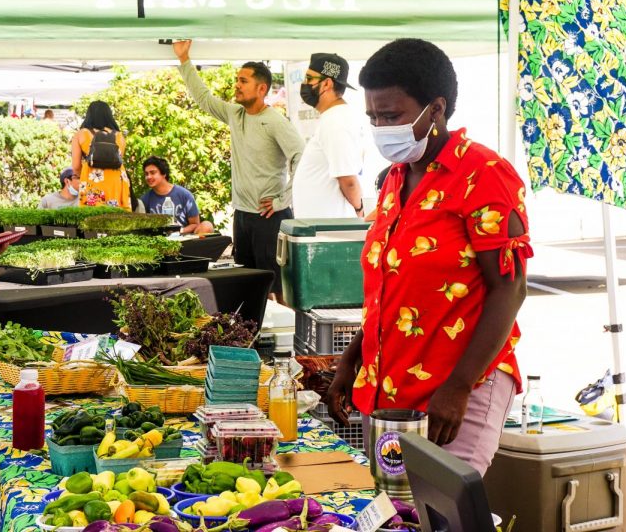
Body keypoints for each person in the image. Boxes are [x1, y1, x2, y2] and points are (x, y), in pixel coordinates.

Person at [326, 38, 532, 476]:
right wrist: (352, 359)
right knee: (398, 512)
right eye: (373, 117)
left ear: (435, 109)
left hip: (461, 383)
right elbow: (389, 288)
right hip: (390, 381)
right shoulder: (394, 180)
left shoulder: (484, 175)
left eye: (392, 115)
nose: (380, 127)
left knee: (443, 512)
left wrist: (458, 387)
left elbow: (509, 288)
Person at [172, 40, 303, 302]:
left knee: (276, 287)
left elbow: (301, 157)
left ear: (261, 88)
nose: (237, 85)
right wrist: (184, 60)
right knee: (248, 282)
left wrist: (281, 201)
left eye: (243, 81)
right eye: (237, 80)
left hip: (270, 217)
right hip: (242, 216)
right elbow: (204, 99)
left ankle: (284, 338)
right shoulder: (235, 114)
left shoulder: (275, 121)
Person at [292, 53, 365, 218]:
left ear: (326, 83)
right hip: (323, 230)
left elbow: (348, 180)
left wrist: (359, 211)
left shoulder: (336, 120)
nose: (304, 84)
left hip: (331, 233)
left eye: (309, 79)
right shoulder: (334, 117)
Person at [71, 100, 131, 210]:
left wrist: (84, 174)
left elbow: (76, 166)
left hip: (92, 180)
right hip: (116, 181)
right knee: (117, 219)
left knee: (92, 219)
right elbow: (117, 159)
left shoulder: (81, 134)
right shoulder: (119, 136)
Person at [140, 155, 214, 235]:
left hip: (184, 239)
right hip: (159, 242)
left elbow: (195, 224)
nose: (148, 177)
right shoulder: (145, 199)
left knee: (207, 225)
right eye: (146, 174)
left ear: (164, 174)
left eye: (153, 173)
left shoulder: (184, 195)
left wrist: (179, 232)